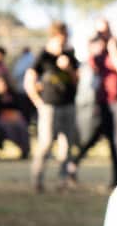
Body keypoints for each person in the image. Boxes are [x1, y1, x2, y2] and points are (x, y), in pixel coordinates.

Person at [26, 22, 82, 192]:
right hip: (49, 106)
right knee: (46, 142)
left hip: (68, 104)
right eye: (61, 36)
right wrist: (37, 101)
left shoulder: (69, 54)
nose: (64, 40)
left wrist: (69, 68)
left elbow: (77, 79)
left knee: (67, 144)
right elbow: (29, 79)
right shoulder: (43, 56)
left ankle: (63, 180)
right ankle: (37, 179)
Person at [78, 20, 117, 187]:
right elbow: (92, 70)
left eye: (104, 31)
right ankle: (116, 178)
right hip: (104, 100)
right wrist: (93, 50)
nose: (102, 35)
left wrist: (113, 50)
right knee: (111, 141)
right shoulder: (98, 52)